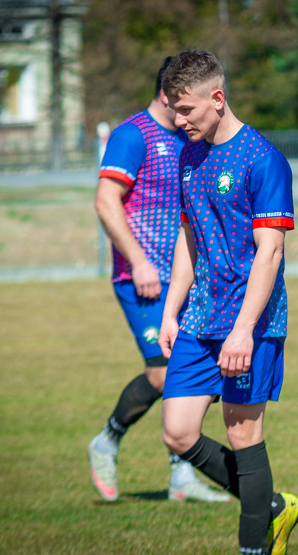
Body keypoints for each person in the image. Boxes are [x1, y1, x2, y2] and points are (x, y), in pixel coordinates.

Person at [157, 48, 298, 555]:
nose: (179, 120)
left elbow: (270, 253)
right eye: (174, 109)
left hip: (252, 323)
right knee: (177, 432)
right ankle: (274, 507)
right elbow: (189, 240)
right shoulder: (187, 153)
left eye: (186, 109)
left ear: (217, 99)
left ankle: (253, 547)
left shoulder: (264, 160)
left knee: (243, 436)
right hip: (199, 317)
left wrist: (243, 330)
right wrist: (171, 310)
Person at [87, 56, 231, 504]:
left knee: (191, 376)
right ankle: (107, 440)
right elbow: (106, 202)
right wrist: (140, 262)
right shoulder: (132, 135)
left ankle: (181, 479)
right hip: (143, 278)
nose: (191, 112)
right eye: (184, 101)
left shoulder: (190, 139)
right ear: (169, 94)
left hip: (188, 280)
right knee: (164, 371)